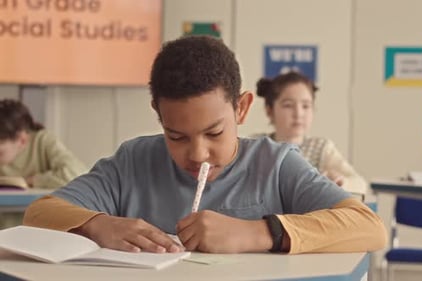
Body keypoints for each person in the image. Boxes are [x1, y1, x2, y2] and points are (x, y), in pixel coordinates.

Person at [24, 35, 386, 254]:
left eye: (214, 133)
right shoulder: (132, 161)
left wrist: (258, 233)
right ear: (158, 115)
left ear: (241, 109)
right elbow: (39, 213)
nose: (197, 154)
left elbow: (369, 228)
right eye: (176, 136)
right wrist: (98, 225)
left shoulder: (275, 165)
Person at [254, 72, 368, 197]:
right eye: (288, 105)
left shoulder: (321, 148)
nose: (298, 114)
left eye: (306, 106)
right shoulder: (256, 145)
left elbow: (360, 184)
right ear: (269, 111)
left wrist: (341, 182)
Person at [0, 98, 87, 228]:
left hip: (39, 229)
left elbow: (76, 174)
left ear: (22, 140)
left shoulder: (43, 141)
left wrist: (32, 180)